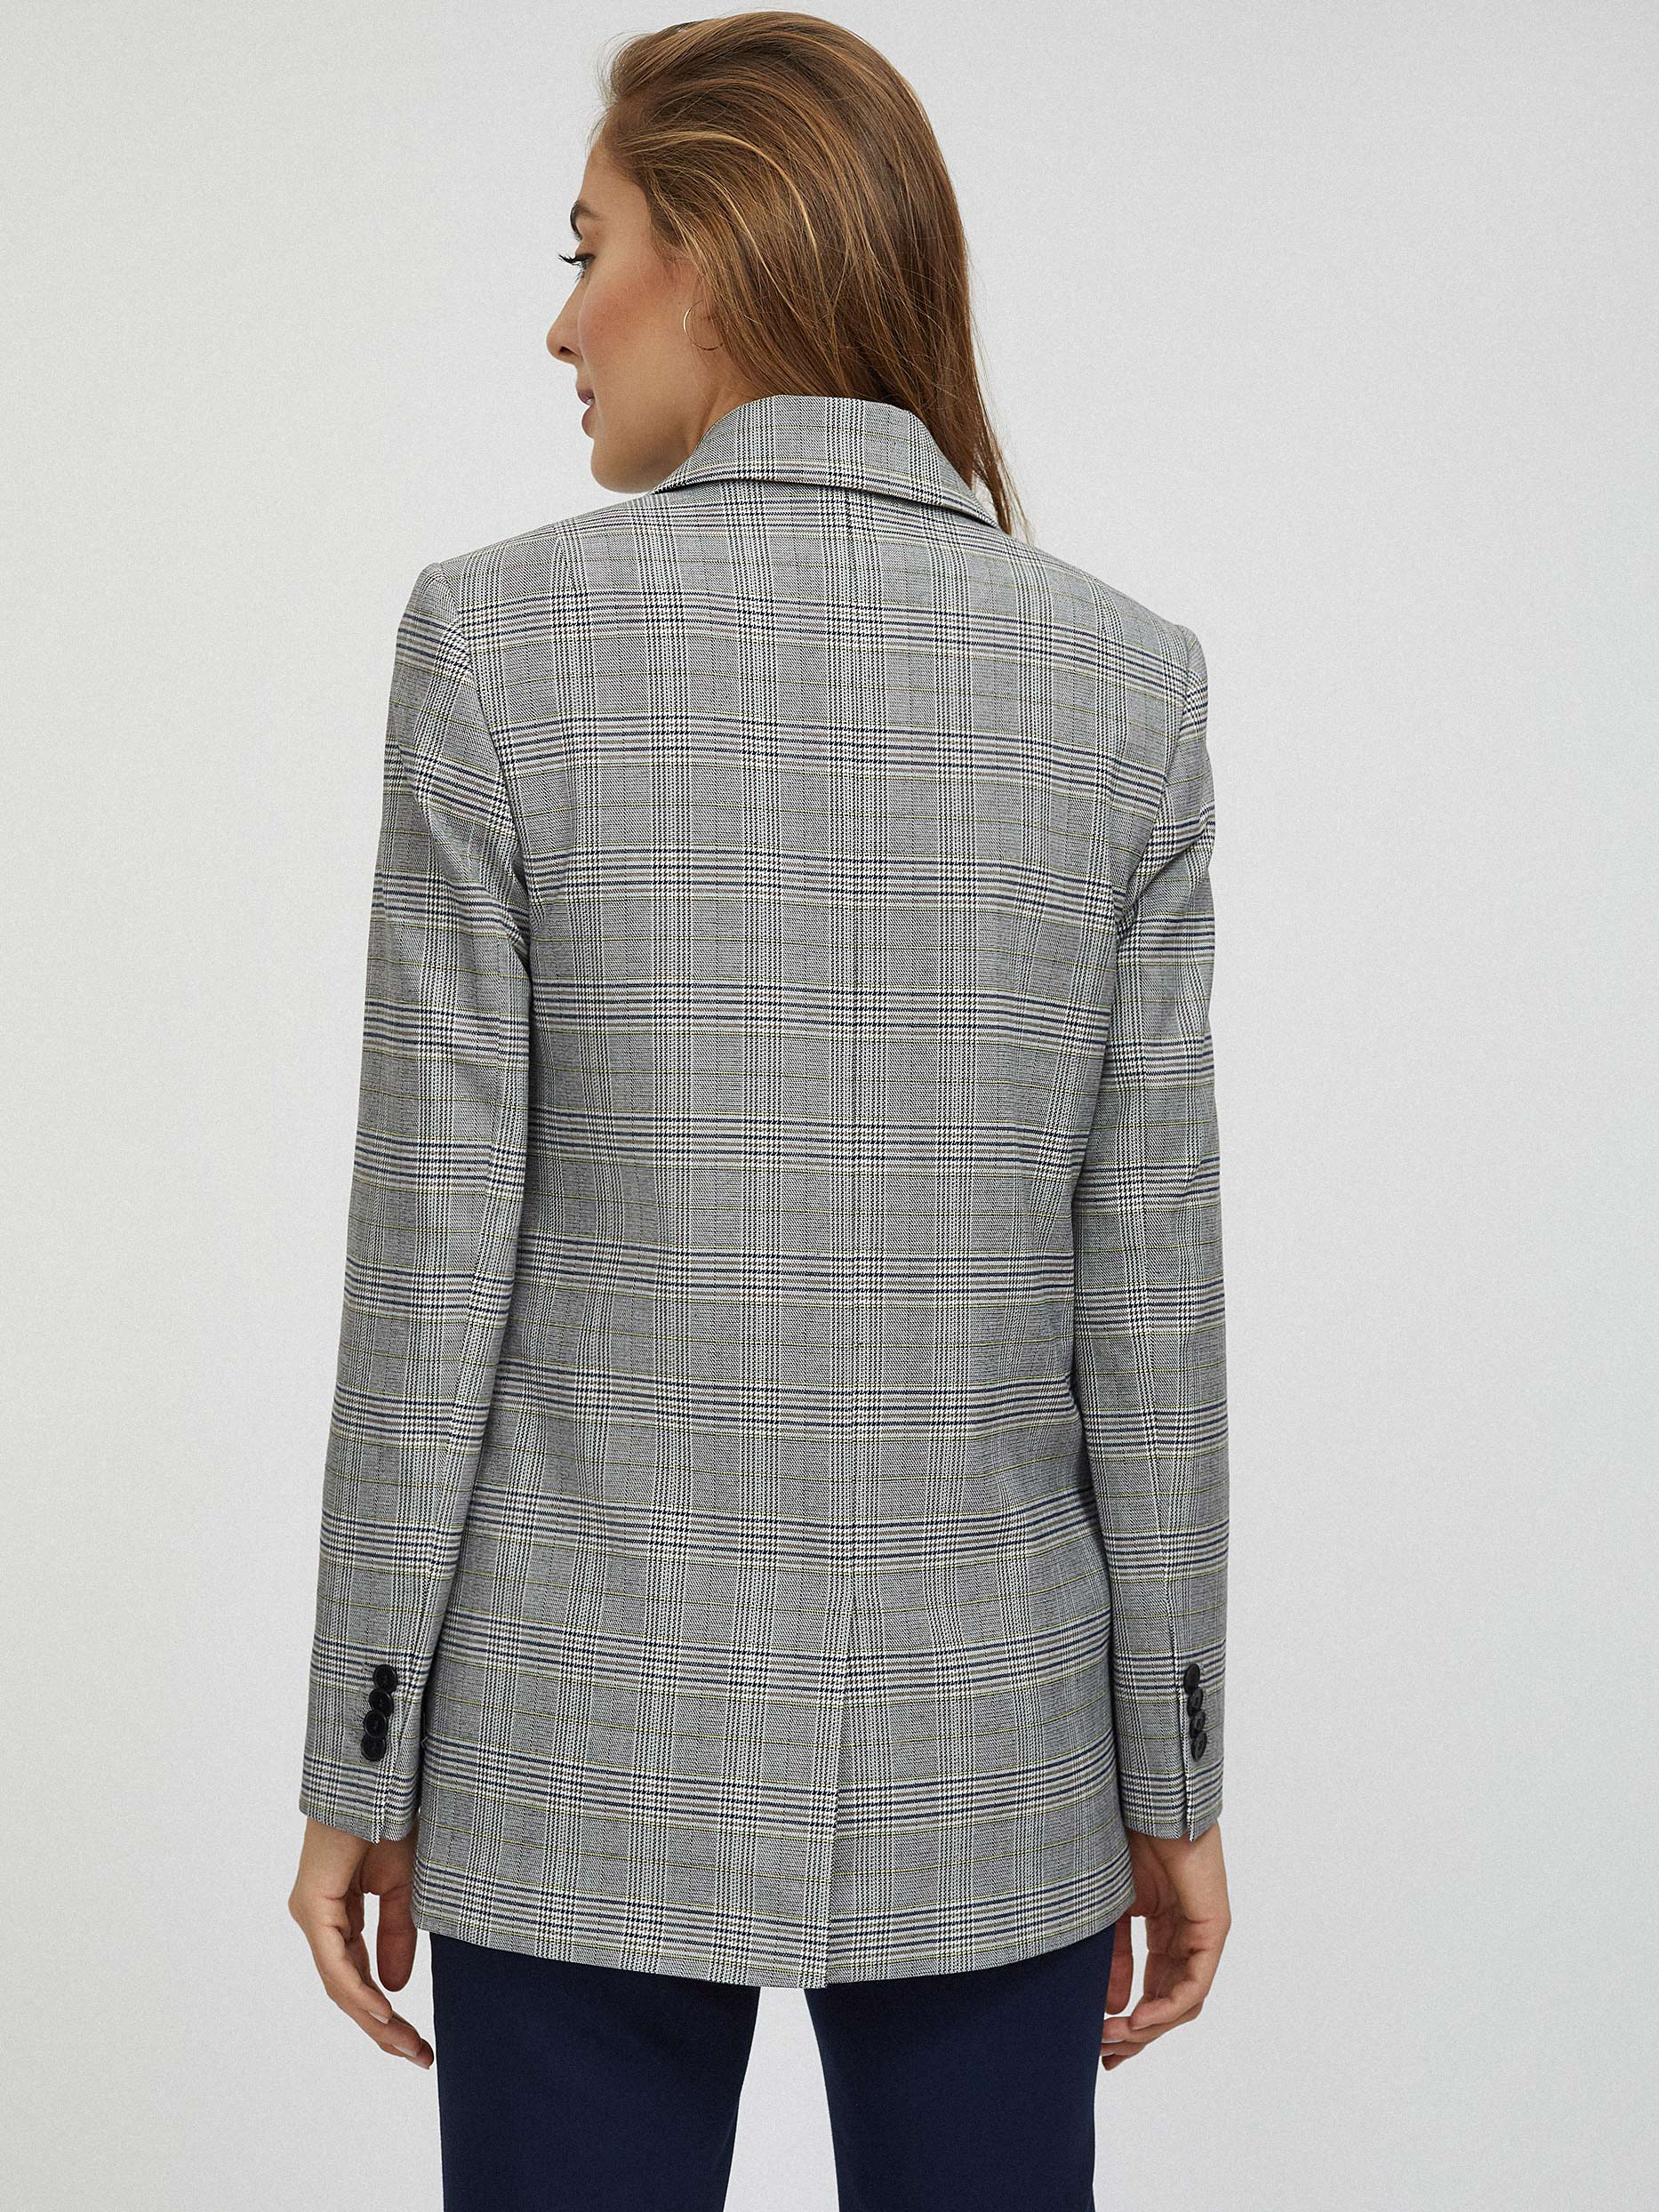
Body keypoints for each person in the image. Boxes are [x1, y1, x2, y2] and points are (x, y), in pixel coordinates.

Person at [287, 13, 1231, 2208]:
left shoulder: (495, 647)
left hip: (570, 1736)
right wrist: (1172, 1765)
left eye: (587, 245)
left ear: (714, 250)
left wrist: (364, 1738)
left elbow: (434, 1264)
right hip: (997, 1748)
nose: (561, 321)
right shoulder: (1125, 687)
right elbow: (1149, 1295)